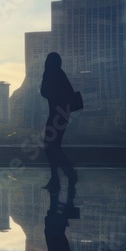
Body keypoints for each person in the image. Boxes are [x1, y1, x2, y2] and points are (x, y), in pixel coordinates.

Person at [40, 52, 78, 191]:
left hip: (56, 115)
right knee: (53, 146)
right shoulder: (61, 74)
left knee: (50, 146)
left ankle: (66, 174)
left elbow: (44, 91)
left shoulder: (50, 73)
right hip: (62, 114)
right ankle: (61, 175)